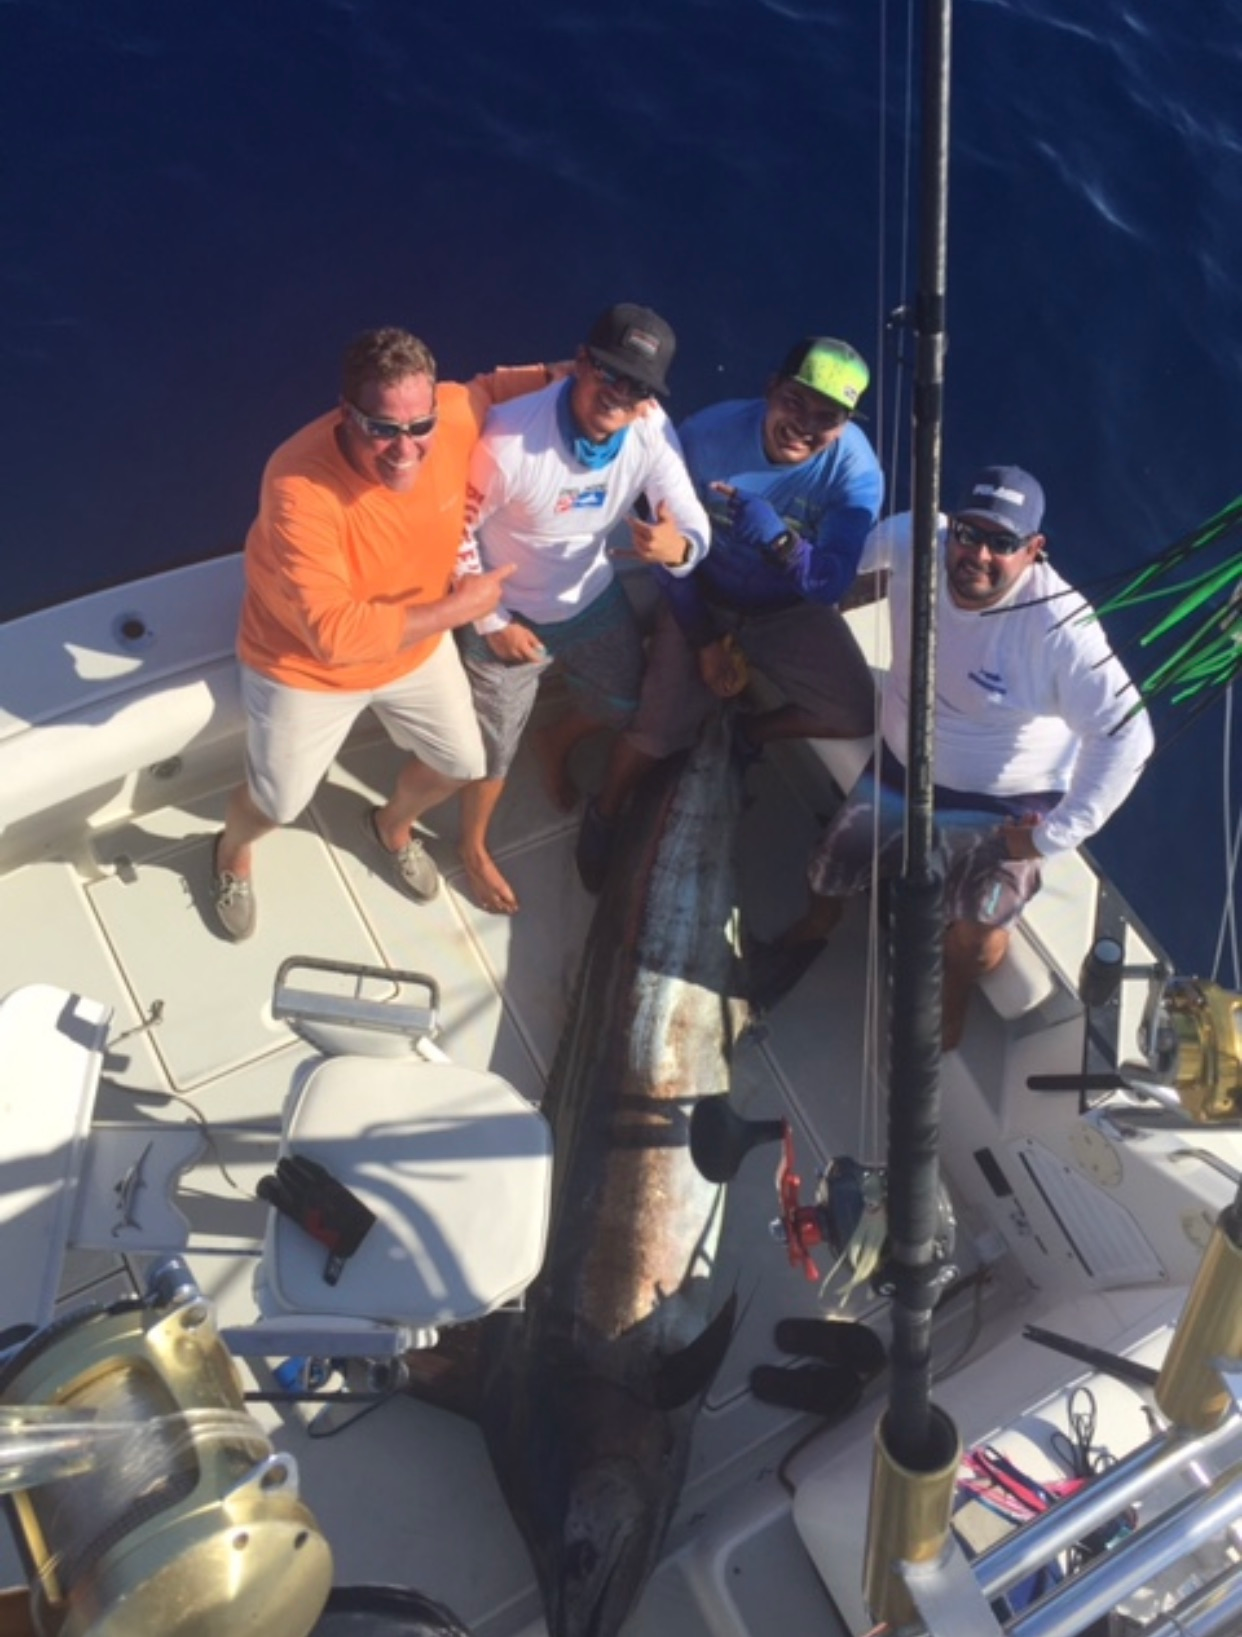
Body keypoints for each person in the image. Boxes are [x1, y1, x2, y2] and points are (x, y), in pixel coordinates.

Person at [756, 464, 1156, 1049]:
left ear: (1034, 550)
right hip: (902, 765)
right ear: (952, 527)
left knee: (975, 941)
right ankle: (817, 926)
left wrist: (1048, 838)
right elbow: (832, 571)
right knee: (826, 869)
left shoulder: (1061, 629)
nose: (979, 555)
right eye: (969, 534)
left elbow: (1128, 735)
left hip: (1007, 804)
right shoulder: (910, 536)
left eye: (1003, 542)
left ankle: (953, 996)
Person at [210, 327, 552, 940]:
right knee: (278, 802)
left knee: (461, 763)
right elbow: (334, 637)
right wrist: (464, 608)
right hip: (304, 665)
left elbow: (499, 387)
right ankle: (232, 851)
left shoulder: (453, 412)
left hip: (411, 650)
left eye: (420, 426)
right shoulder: (297, 484)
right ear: (347, 414)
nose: (405, 448)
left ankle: (390, 825)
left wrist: (598, 380)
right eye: (382, 428)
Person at [580, 336, 884, 891]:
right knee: (654, 735)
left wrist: (779, 540)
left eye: (826, 417)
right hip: (702, 591)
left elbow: (829, 584)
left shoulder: (855, 474)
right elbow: (667, 556)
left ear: (843, 426)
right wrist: (703, 639)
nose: (804, 425)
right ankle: (604, 811)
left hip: (787, 609)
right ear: (771, 388)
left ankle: (748, 732)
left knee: (856, 713)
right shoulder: (706, 436)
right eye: (794, 401)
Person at [453, 302, 710, 915]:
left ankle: (555, 741)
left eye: (638, 386)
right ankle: (473, 847)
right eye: (610, 372)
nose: (620, 393)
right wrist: (492, 622)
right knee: (492, 752)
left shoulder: (650, 430)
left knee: (623, 703)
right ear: (580, 362)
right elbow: (453, 534)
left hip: (590, 597)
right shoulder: (509, 441)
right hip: (508, 612)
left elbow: (692, 520)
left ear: (650, 399)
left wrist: (679, 549)